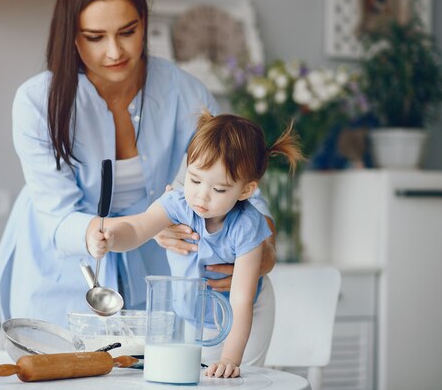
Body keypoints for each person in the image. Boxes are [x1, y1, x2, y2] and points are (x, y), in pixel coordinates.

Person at [0, 0, 278, 330]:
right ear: (71, 35)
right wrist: (143, 226)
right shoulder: (37, 103)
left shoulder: (185, 93)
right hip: (64, 268)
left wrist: (265, 247)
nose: (114, 52)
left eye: (128, 32)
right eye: (95, 37)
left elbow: (242, 187)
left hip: (158, 268)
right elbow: (57, 215)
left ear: (145, 22)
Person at [87, 111, 303, 377]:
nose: (201, 196)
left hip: (249, 313)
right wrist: (111, 237)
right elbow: (138, 228)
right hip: (194, 312)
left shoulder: (247, 225)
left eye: (219, 190)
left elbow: (241, 300)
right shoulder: (178, 203)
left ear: (246, 190)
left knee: (239, 377)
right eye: (195, 179)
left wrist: (231, 359)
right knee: (197, 375)